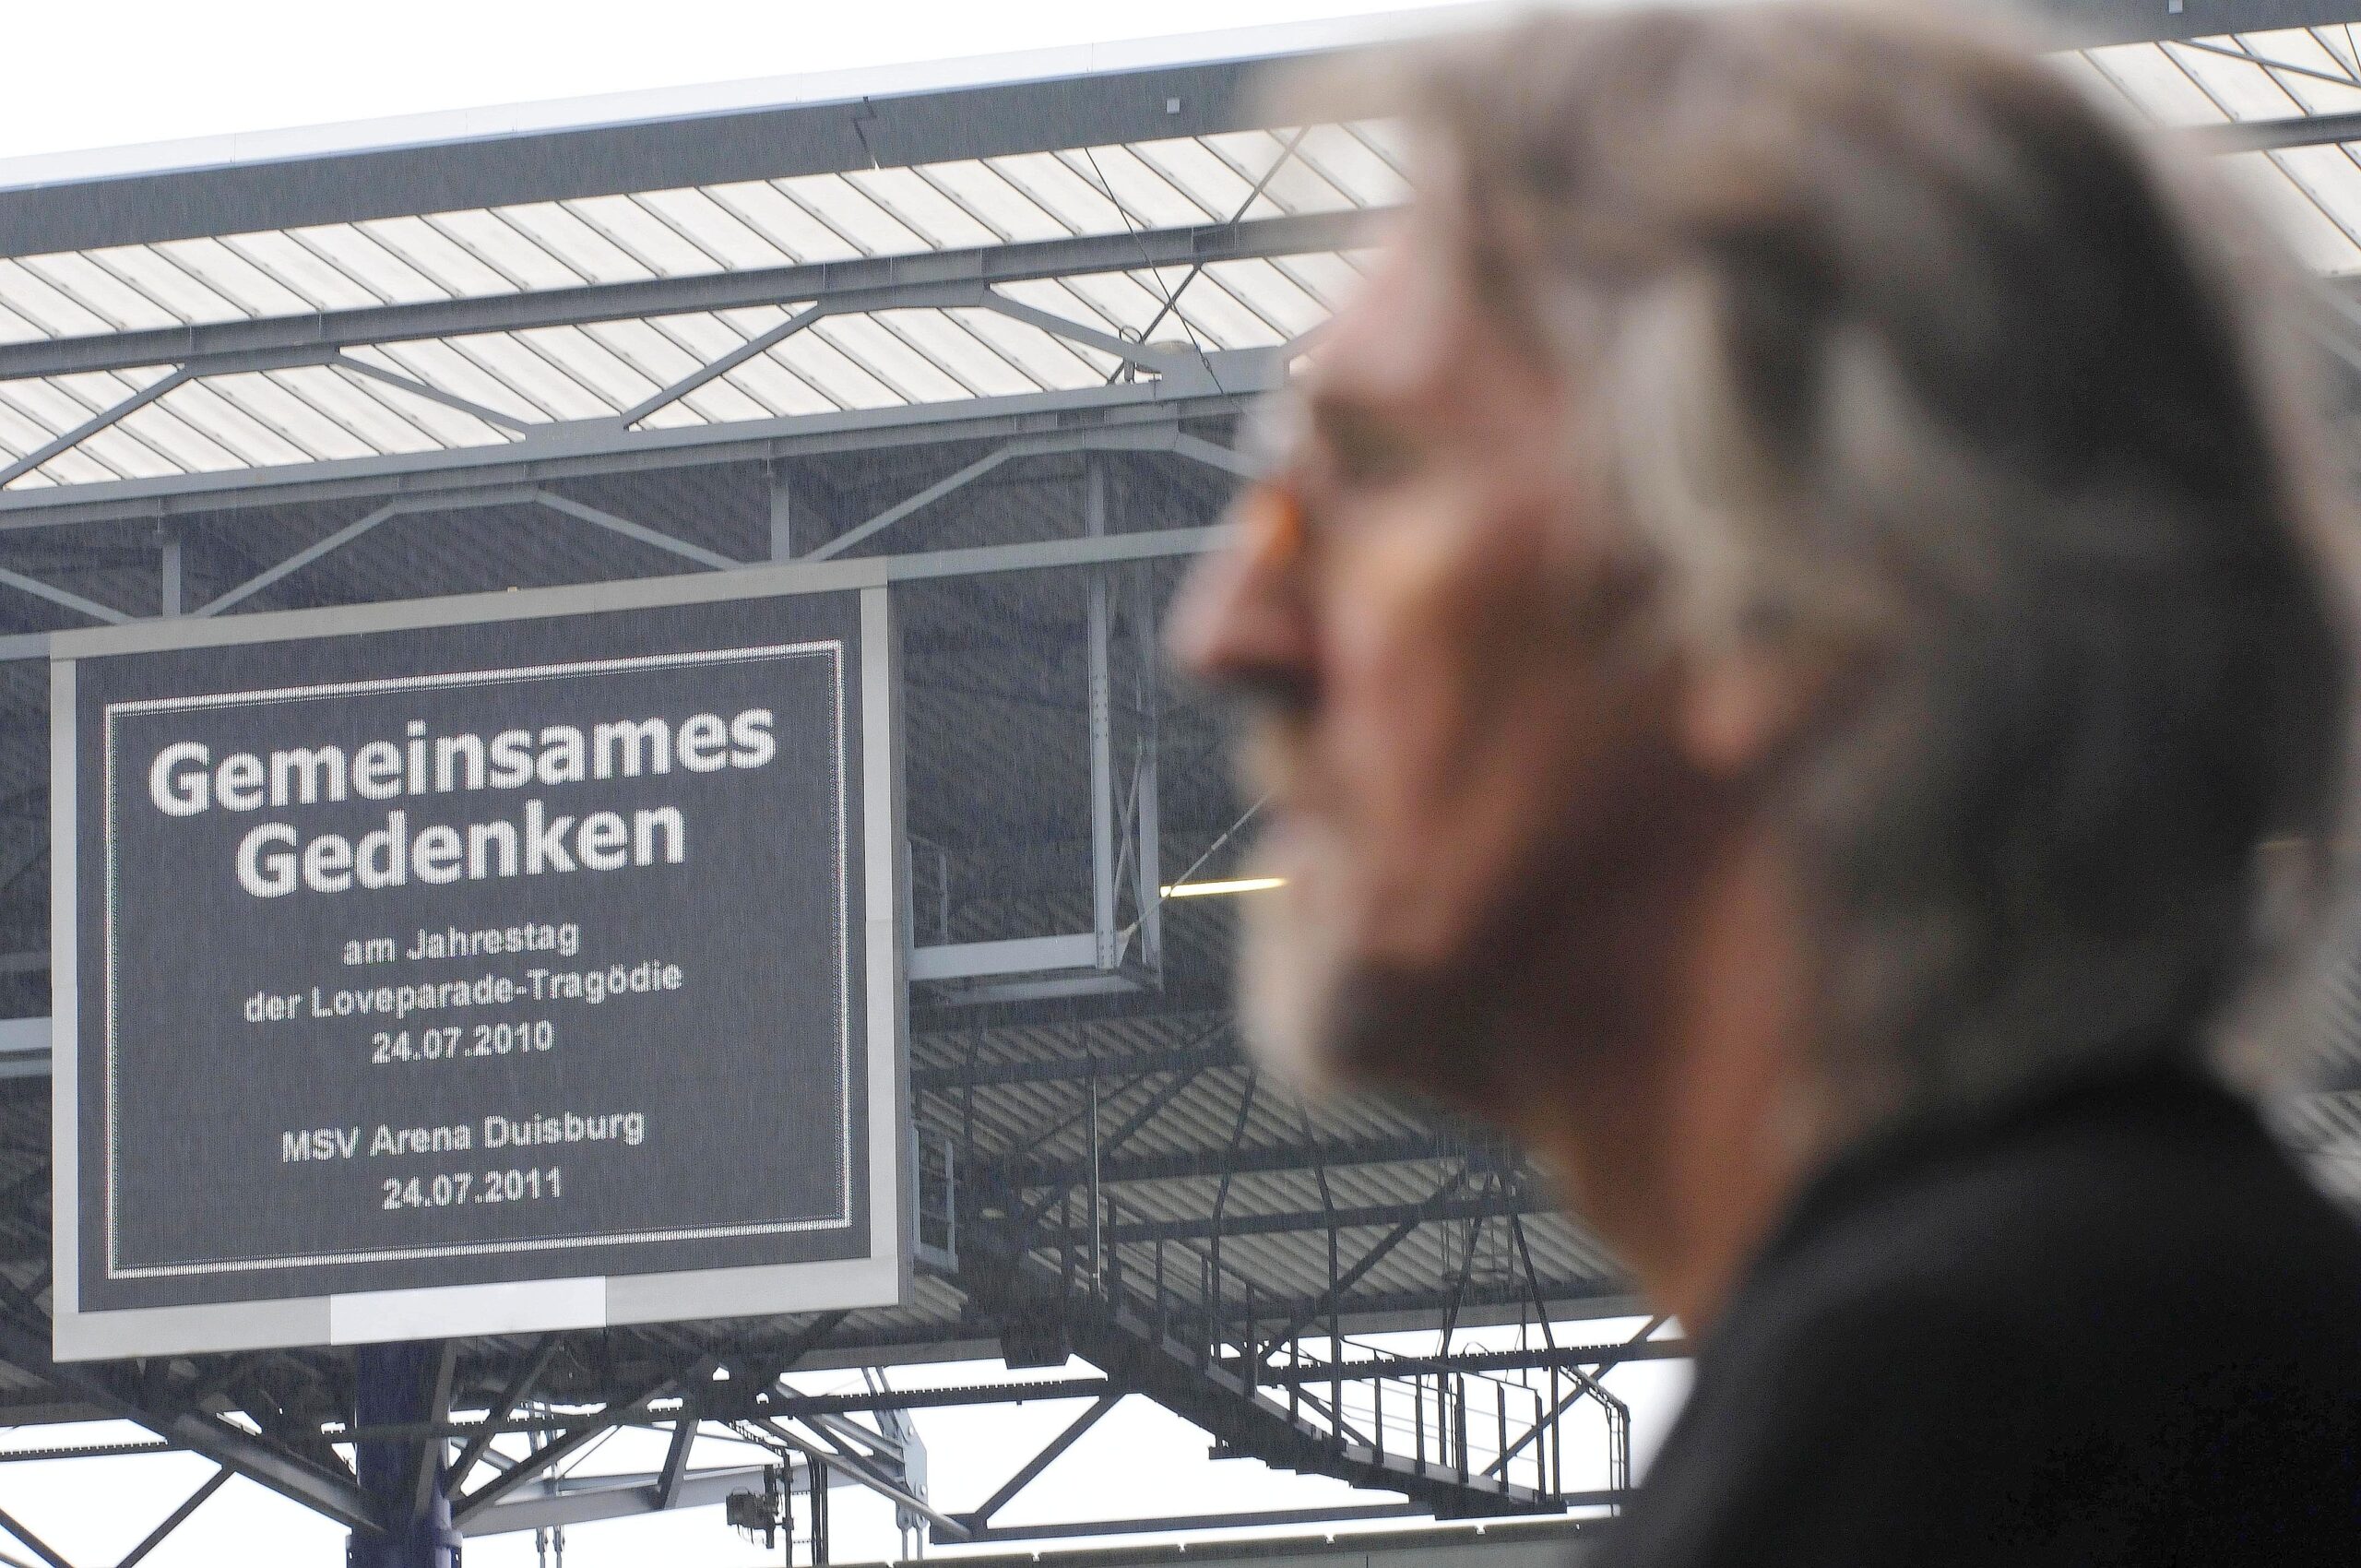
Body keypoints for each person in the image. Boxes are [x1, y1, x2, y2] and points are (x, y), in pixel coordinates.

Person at [1168, 4, 2361, 1563]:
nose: (1227, 632)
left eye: (1376, 471)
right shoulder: (2171, 1340)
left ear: (1792, 607)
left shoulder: (1961, 1433)